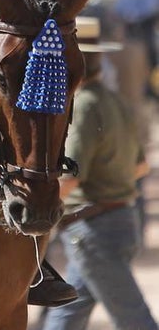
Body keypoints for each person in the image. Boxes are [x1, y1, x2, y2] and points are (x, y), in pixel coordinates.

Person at [42, 16, 157, 330]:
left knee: (134, 319)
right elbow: (140, 166)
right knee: (68, 312)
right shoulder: (114, 102)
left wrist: (33, 212)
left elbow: (70, 179)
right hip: (118, 222)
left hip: (94, 230)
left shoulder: (83, 106)